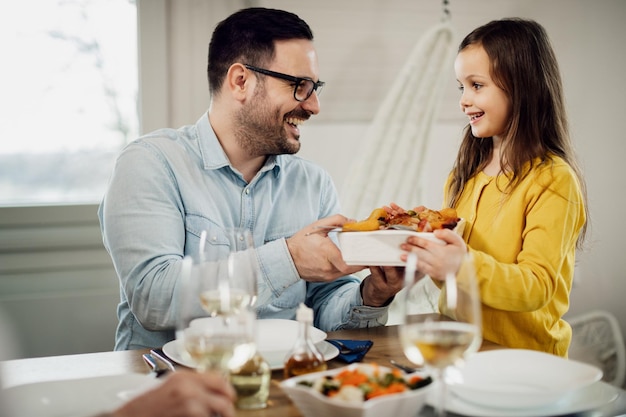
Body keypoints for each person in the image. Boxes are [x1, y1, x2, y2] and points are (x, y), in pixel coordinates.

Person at [98, 7, 404, 351]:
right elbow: (152, 297)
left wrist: (373, 294)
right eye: (299, 86)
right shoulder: (150, 164)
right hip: (173, 390)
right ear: (240, 81)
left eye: (314, 87)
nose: (314, 105)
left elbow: (325, 312)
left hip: (280, 386)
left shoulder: (313, 184)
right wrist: (289, 259)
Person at [393, 18, 588, 357]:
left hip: (525, 364)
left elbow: (537, 287)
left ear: (521, 85)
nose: (464, 100)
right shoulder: (462, 176)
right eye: (461, 87)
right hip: (460, 353)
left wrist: (460, 264)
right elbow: (456, 285)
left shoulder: (553, 180)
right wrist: (428, 249)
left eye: (476, 85)